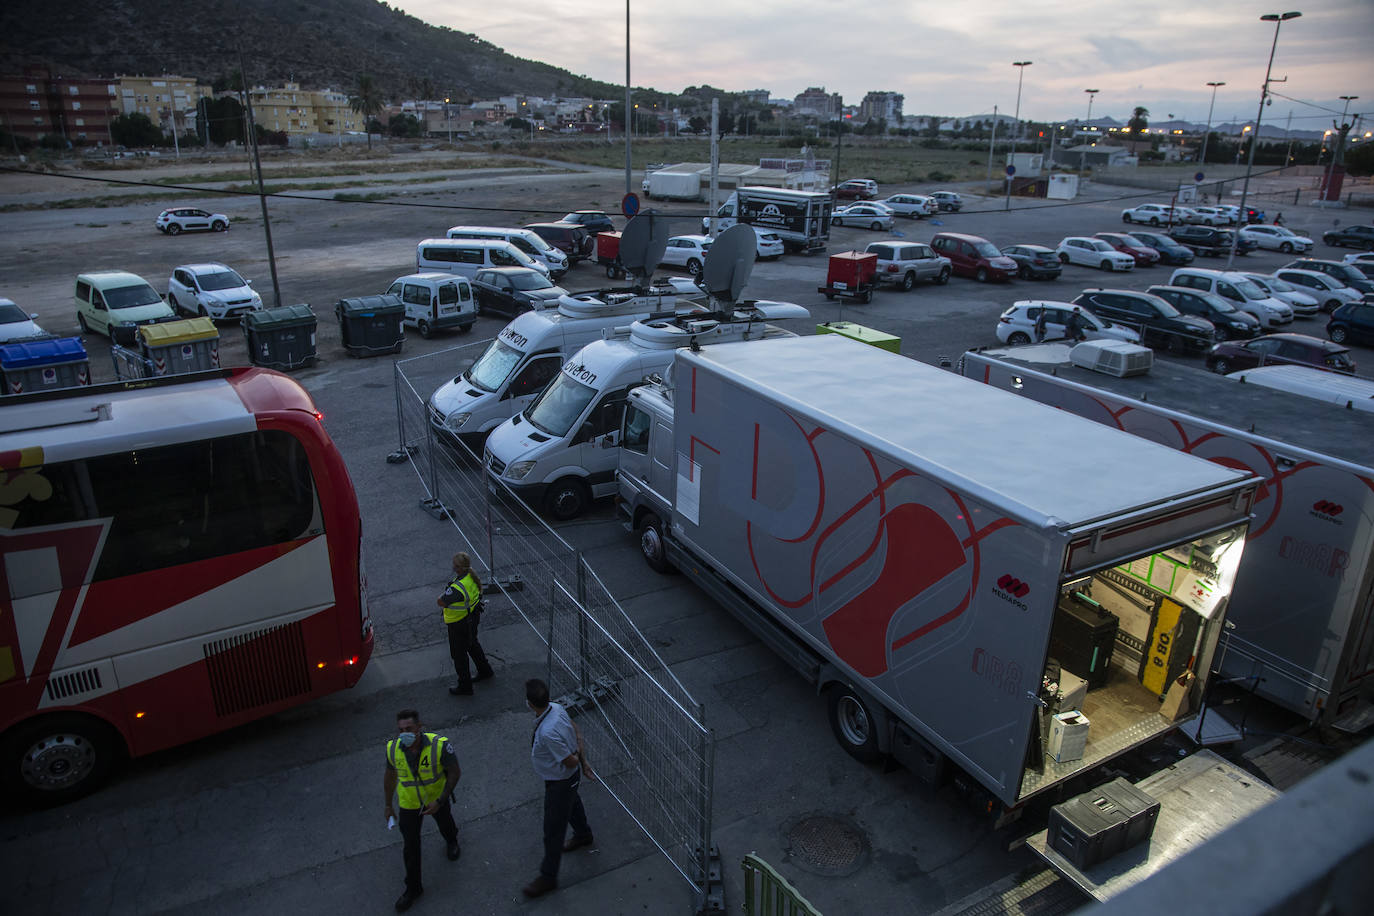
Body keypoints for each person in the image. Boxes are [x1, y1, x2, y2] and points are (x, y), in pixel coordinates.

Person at [522, 678, 595, 899]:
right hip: (566, 780)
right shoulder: (556, 707)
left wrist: (581, 762)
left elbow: (569, 761)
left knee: (553, 830)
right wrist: (582, 763)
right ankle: (583, 834)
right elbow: (574, 729)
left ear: (530, 703)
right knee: (572, 803)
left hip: (560, 781)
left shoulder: (547, 733)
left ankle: (548, 877)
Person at [383, 709, 462, 912]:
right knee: (410, 846)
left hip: (435, 799)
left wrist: (441, 799)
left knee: (445, 824)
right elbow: (390, 776)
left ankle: (452, 840)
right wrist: (388, 805)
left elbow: (454, 772)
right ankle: (413, 888)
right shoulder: (393, 749)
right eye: (401, 730)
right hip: (409, 804)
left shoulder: (439, 745)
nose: (404, 733)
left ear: (419, 727)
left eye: (409, 729)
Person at [438, 552, 493, 696]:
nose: (453, 567)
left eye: (455, 565)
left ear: (459, 568)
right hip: (472, 618)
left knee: (459, 655)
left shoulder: (457, 588)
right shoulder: (471, 576)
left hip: (459, 623)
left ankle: (465, 685)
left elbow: (441, 601)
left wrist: (441, 596)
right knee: (472, 644)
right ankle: (485, 671)